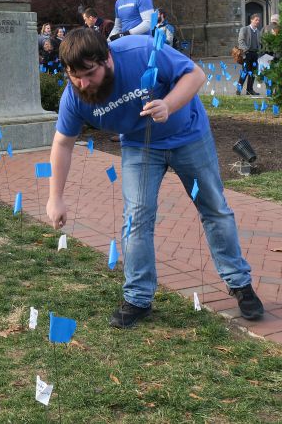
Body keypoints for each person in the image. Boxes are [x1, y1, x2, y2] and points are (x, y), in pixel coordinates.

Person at [45, 28, 264, 328]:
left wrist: (169, 105)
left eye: (89, 73)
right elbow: (62, 144)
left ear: (107, 59)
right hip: (140, 145)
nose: (82, 83)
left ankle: (240, 284)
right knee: (137, 217)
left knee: (214, 208)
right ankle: (138, 297)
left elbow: (195, 75)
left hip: (188, 135)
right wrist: (55, 197)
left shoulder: (140, 52)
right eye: (74, 75)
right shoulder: (75, 97)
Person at [236, 14, 262, 96]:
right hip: (247, 54)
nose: (258, 22)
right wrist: (246, 51)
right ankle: (238, 90)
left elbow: (260, 44)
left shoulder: (258, 32)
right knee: (245, 71)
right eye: (256, 20)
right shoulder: (245, 29)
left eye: (258, 20)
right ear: (251, 20)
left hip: (255, 55)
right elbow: (241, 41)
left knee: (253, 73)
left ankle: (249, 90)